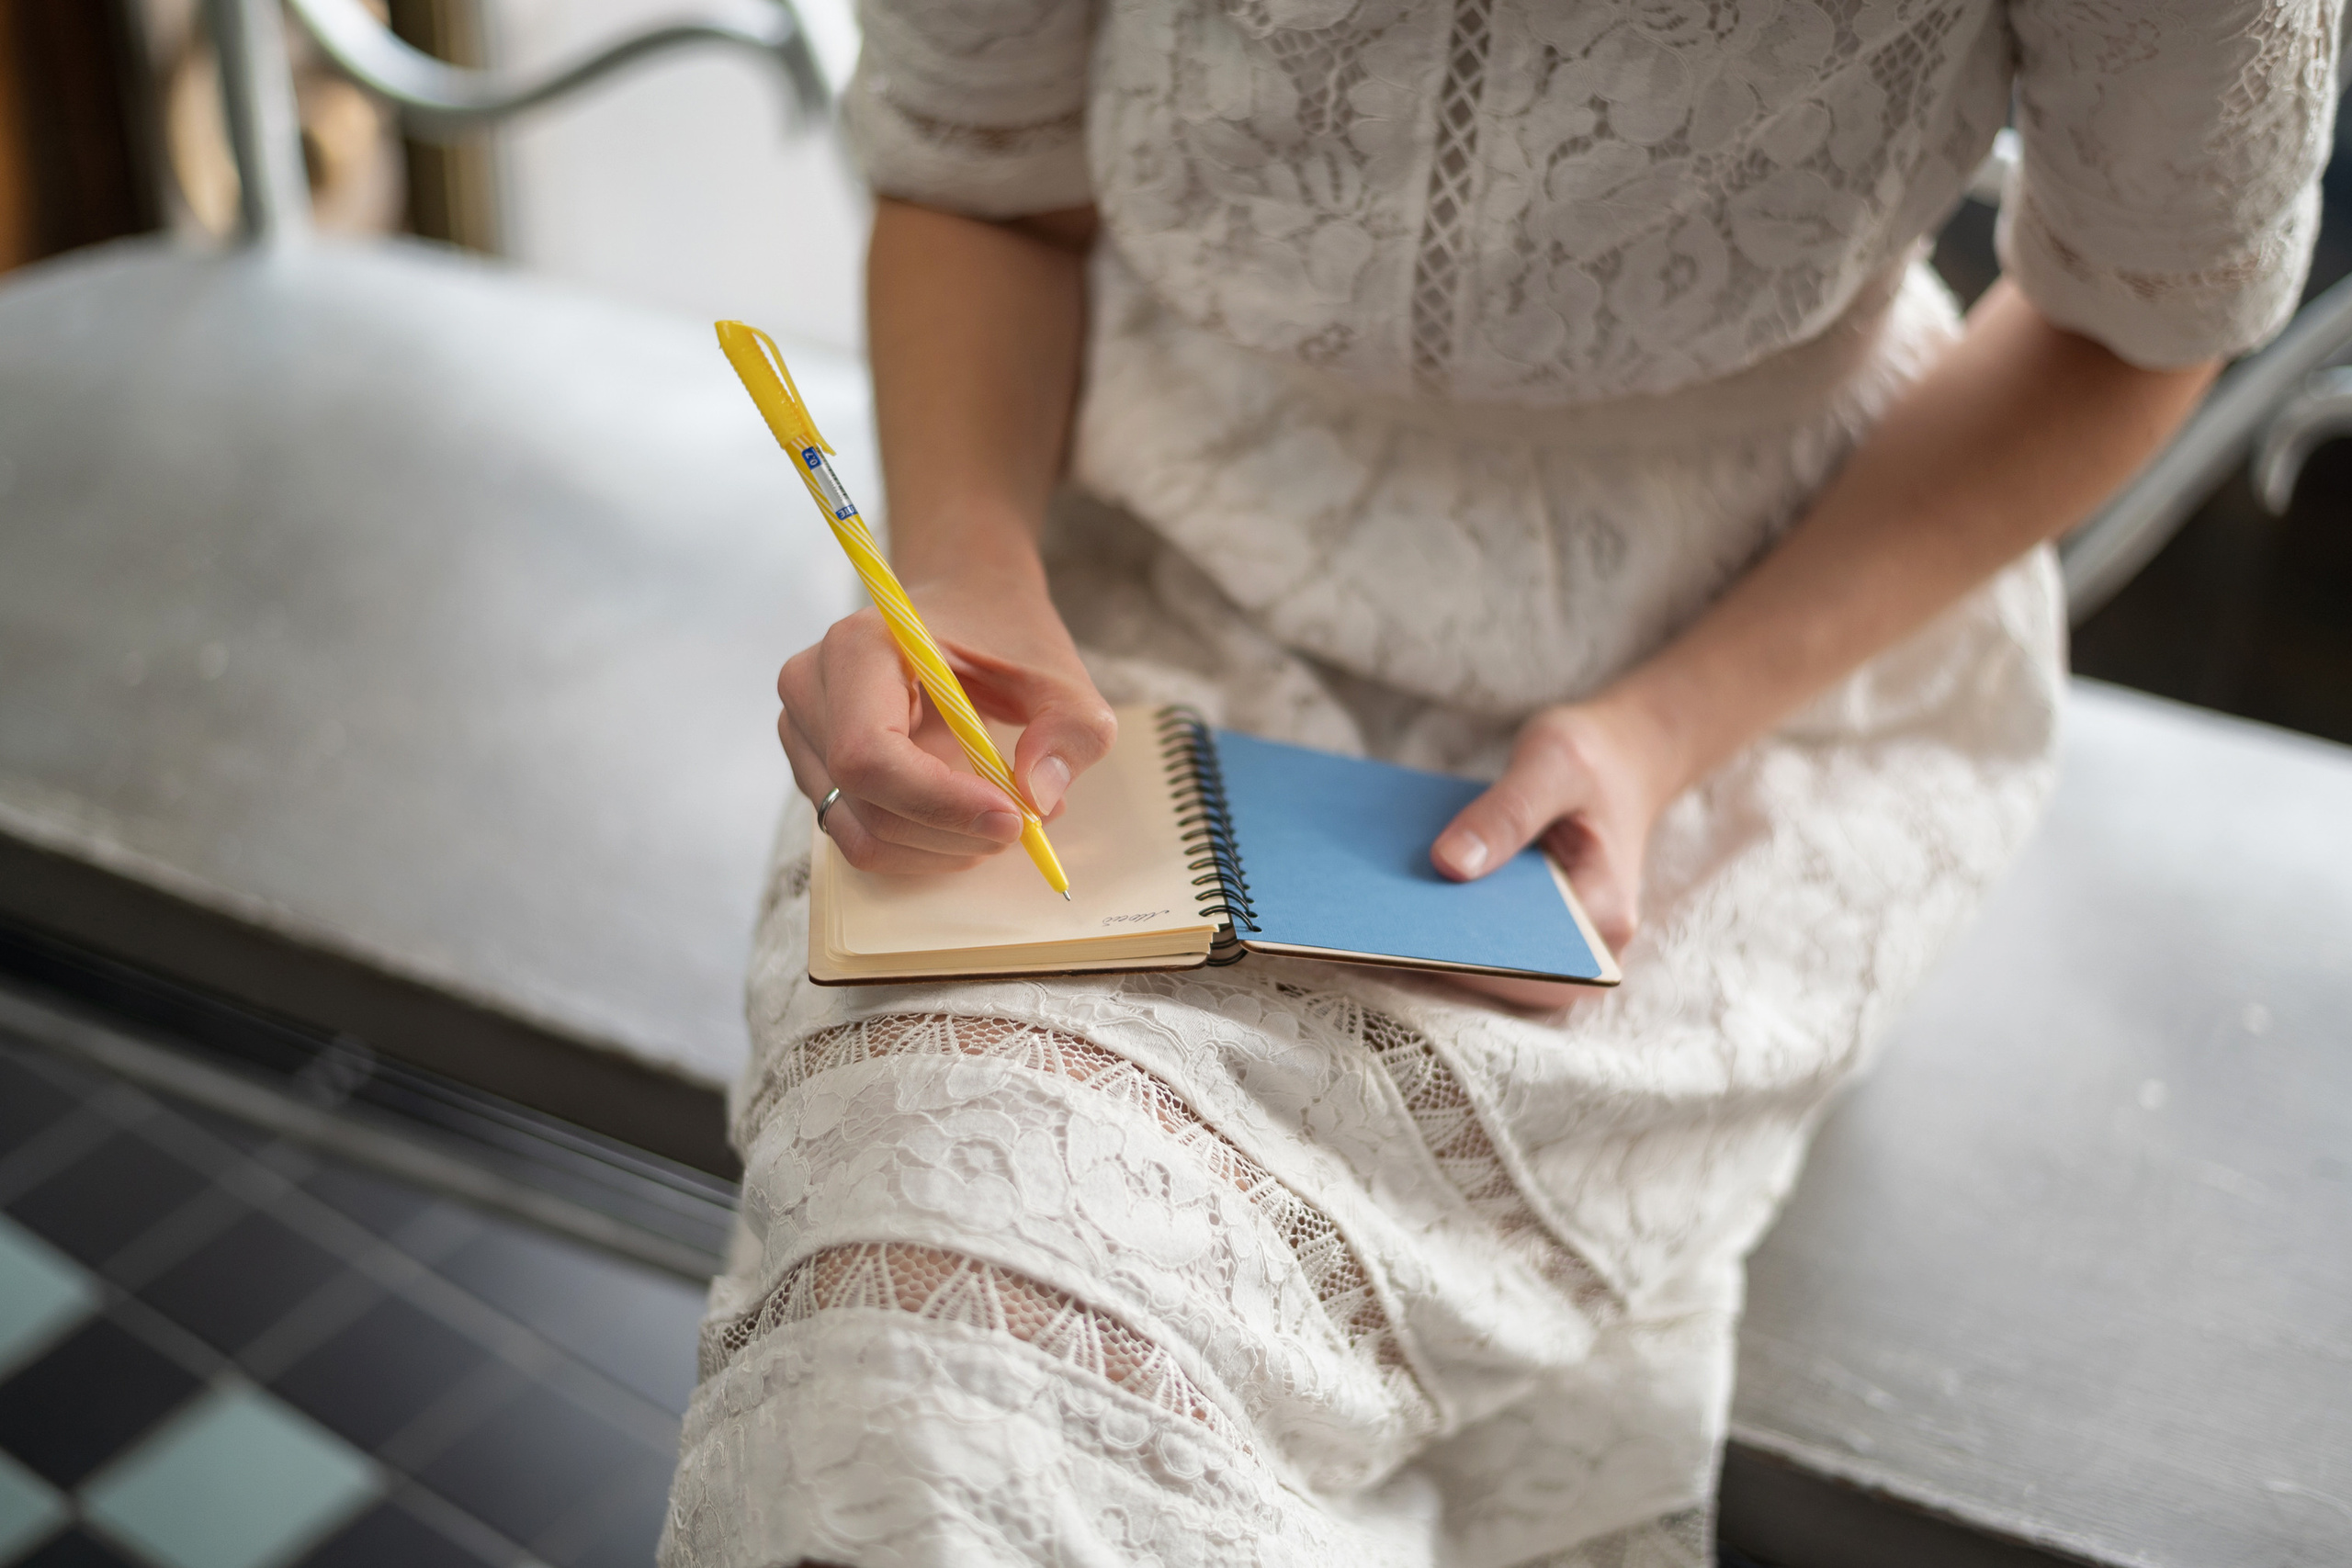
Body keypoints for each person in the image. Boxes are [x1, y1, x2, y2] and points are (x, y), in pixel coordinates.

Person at [662, 4, 2336, 1563]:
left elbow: (2141, 316)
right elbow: (989, 181)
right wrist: (958, 571)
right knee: (934, 1314)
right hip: (1113, 602)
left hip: (1754, 652)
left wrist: (1665, 727)